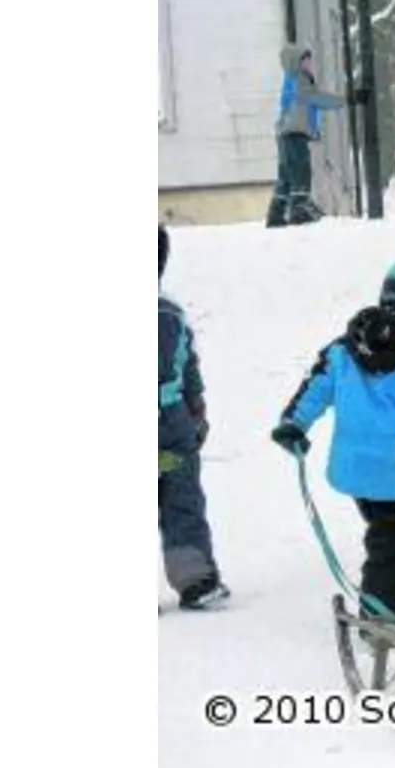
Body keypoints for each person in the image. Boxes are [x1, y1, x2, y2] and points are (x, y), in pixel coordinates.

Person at [270, 257, 395, 619]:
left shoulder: (346, 346)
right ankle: (382, 612)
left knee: (386, 532)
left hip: (356, 470)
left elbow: (316, 387)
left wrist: (293, 424)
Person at [159, 225, 229, 611]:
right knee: (181, 499)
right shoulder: (169, 315)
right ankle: (195, 578)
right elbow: (189, 368)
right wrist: (196, 411)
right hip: (171, 425)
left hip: (170, 424)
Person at [268, 44, 348, 228]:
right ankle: (299, 209)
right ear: (297, 62)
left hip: (286, 133)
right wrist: (344, 100)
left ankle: (277, 212)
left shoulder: (291, 79)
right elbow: (315, 98)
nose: (310, 63)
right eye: (306, 60)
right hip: (294, 133)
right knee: (301, 170)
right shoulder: (300, 79)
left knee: (287, 174)